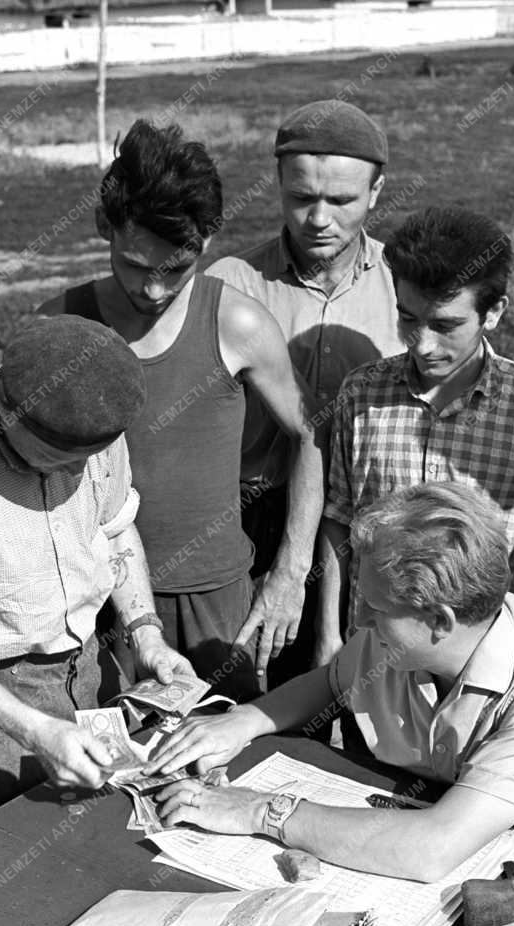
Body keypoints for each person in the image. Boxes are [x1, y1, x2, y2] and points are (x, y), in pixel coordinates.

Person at [145, 481, 514, 880]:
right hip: (421, 828)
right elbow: (331, 681)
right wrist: (245, 720)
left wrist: (258, 811)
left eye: (378, 609)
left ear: (440, 621)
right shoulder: (398, 640)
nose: (362, 620)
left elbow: (434, 848)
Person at [39, 120, 324, 701]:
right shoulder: (59, 329)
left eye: (176, 268)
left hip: (214, 600)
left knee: (218, 765)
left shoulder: (235, 323)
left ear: (207, 243)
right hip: (88, 600)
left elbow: (311, 434)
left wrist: (292, 570)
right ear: (103, 226)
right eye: (137, 265)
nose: (153, 290)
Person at [0, 316, 196, 824]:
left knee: (103, 826)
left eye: (87, 459)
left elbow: (115, 530)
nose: (79, 473)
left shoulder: (96, 420)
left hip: (86, 660)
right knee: (6, 845)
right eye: (58, 461)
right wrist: (34, 731)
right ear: (9, 416)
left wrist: (147, 635)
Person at [319, 206, 514, 682]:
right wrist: (328, 635)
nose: (422, 344)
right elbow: (339, 519)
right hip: (377, 661)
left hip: (492, 669)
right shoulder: (362, 394)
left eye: (445, 325)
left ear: (493, 312)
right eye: (408, 318)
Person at [206, 98, 403, 684]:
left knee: (357, 699)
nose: (319, 219)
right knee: (241, 686)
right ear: (279, 185)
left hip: (366, 527)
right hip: (248, 519)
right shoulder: (229, 287)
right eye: (300, 198)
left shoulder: (405, 291)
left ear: (376, 191)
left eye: (341, 201)